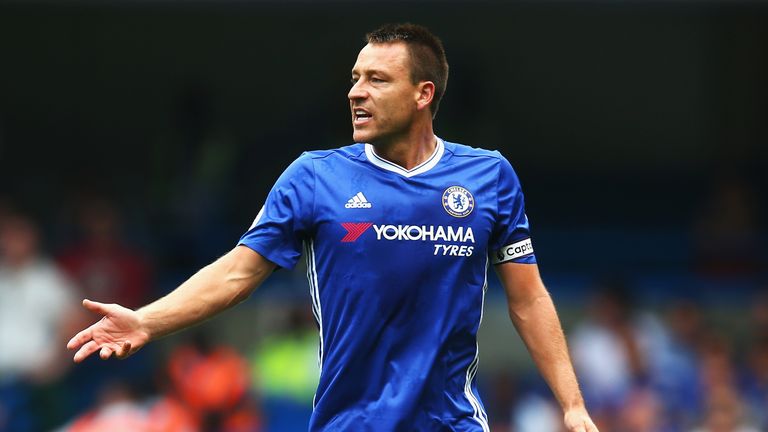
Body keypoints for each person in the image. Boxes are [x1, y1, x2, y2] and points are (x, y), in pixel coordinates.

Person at [67, 23, 598, 432]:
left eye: (376, 79)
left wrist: (572, 407)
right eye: (354, 79)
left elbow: (528, 299)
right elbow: (236, 274)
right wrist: (144, 322)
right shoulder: (315, 176)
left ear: (423, 93)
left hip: (451, 420)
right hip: (350, 421)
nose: (355, 92)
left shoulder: (489, 176)